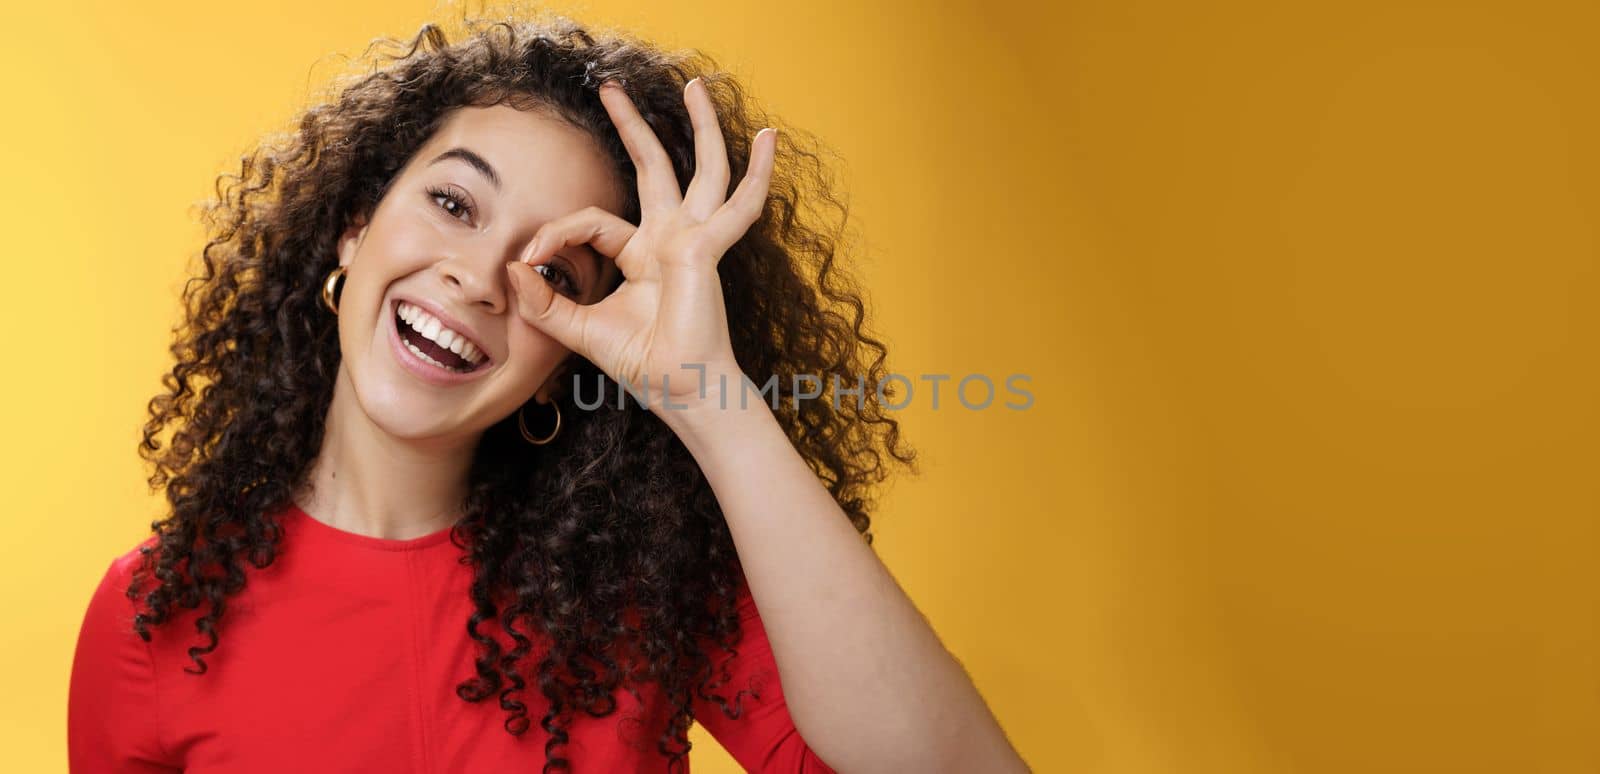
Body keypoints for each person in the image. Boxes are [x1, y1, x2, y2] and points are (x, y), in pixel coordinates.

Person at [68, 11, 1028, 773]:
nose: (482, 280)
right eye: (452, 204)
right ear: (354, 225)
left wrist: (708, 397)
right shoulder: (153, 615)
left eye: (557, 275)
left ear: (572, 354)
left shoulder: (638, 586)